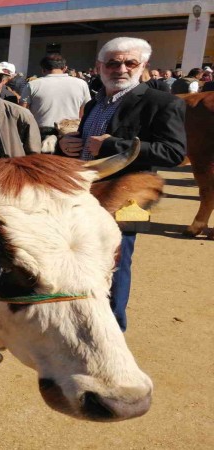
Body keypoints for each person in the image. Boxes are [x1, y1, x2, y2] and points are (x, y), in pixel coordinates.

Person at [58, 37, 186, 331]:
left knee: (119, 258)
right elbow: (85, 145)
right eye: (113, 63)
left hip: (132, 195)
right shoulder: (93, 104)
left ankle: (112, 326)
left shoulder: (162, 102)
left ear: (144, 67)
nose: (121, 69)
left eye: (130, 62)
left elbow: (174, 153)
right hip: (87, 194)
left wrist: (113, 145)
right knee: (83, 254)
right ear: (100, 66)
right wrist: (66, 145)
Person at [19, 53, 91, 131]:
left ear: (43, 70)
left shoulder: (32, 85)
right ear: (65, 68)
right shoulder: (81, 84)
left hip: (40, 133)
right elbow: (84, 113)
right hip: (71, 133)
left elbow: (22, 112)